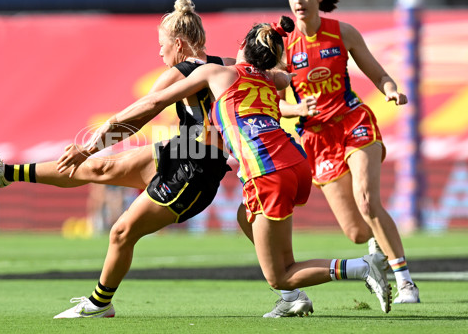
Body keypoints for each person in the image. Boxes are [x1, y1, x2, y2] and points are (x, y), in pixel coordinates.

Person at [61, 16, 393, 316]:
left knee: (282, 273)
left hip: (267, 170)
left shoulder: (218, 72)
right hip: (295, 163)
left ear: (241, 48)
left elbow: (153, 102)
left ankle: (362, 267)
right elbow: (283, 77)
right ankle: (292, 300)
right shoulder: (268, 79)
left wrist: (95, 143)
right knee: (244, 217)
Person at [0, 0, 239, 318]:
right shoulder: (228, 63)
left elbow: (139, 114)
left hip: (193, 171)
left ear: (178, 44)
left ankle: (99, 303)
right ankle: (7, 173)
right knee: (99, 167)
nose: (159, 51)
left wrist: (90, 144)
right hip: (183, 152)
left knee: (121, 232)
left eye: (162, 45)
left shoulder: (179, 73)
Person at [262, 0, 419, 304]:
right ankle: (377, 248)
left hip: (353, 121)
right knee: (357, 231)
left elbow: (378, 73)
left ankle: (405, 282)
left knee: (367, 200)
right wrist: (298, 110)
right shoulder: (284, 48)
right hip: (317, 140)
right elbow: (273, 104)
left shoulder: (342, 32)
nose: (298, 0)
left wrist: (390, 89)